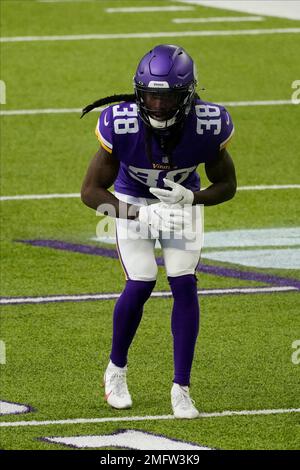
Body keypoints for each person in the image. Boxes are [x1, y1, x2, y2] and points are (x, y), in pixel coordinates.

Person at [81, 44, 237, 419]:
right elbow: (90, 193)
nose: (157, 106)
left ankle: (181, 388)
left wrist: (192, 197)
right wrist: (138, 214)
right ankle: (116, 370)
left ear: (187, 96)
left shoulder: (207, 124)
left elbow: (228, 186)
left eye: (167, 98)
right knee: (142, 279)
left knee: (183, 280)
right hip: (131, 200)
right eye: (150, 96)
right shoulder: (121, 124)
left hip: (181, 203)